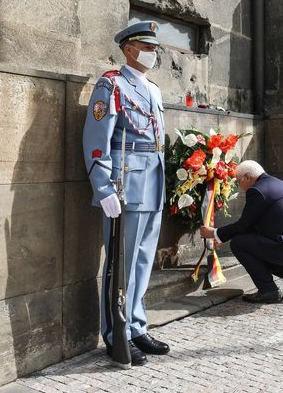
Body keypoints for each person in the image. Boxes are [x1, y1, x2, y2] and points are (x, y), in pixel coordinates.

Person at [83, 21, 169, 366]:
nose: (153, 53)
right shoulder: (111, 85)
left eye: (154, 48)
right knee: (122, 262)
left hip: (154, 180)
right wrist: (102, 186)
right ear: (129, 50)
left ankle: (136, 325)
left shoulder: (155, 90)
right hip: (125, 184)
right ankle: (114, 333)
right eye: (147, 48)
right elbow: (96, 138)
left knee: (144, 259)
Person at [199, 161, 283, 304]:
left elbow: (244, 225)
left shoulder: (257, 190)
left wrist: (215, 233)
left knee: (239, 244)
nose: (240, 187)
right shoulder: (277, 184)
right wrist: (227, 236)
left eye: (238, 181)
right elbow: (254, 225)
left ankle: (268, 290)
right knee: (251, 246)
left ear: (247, 177)